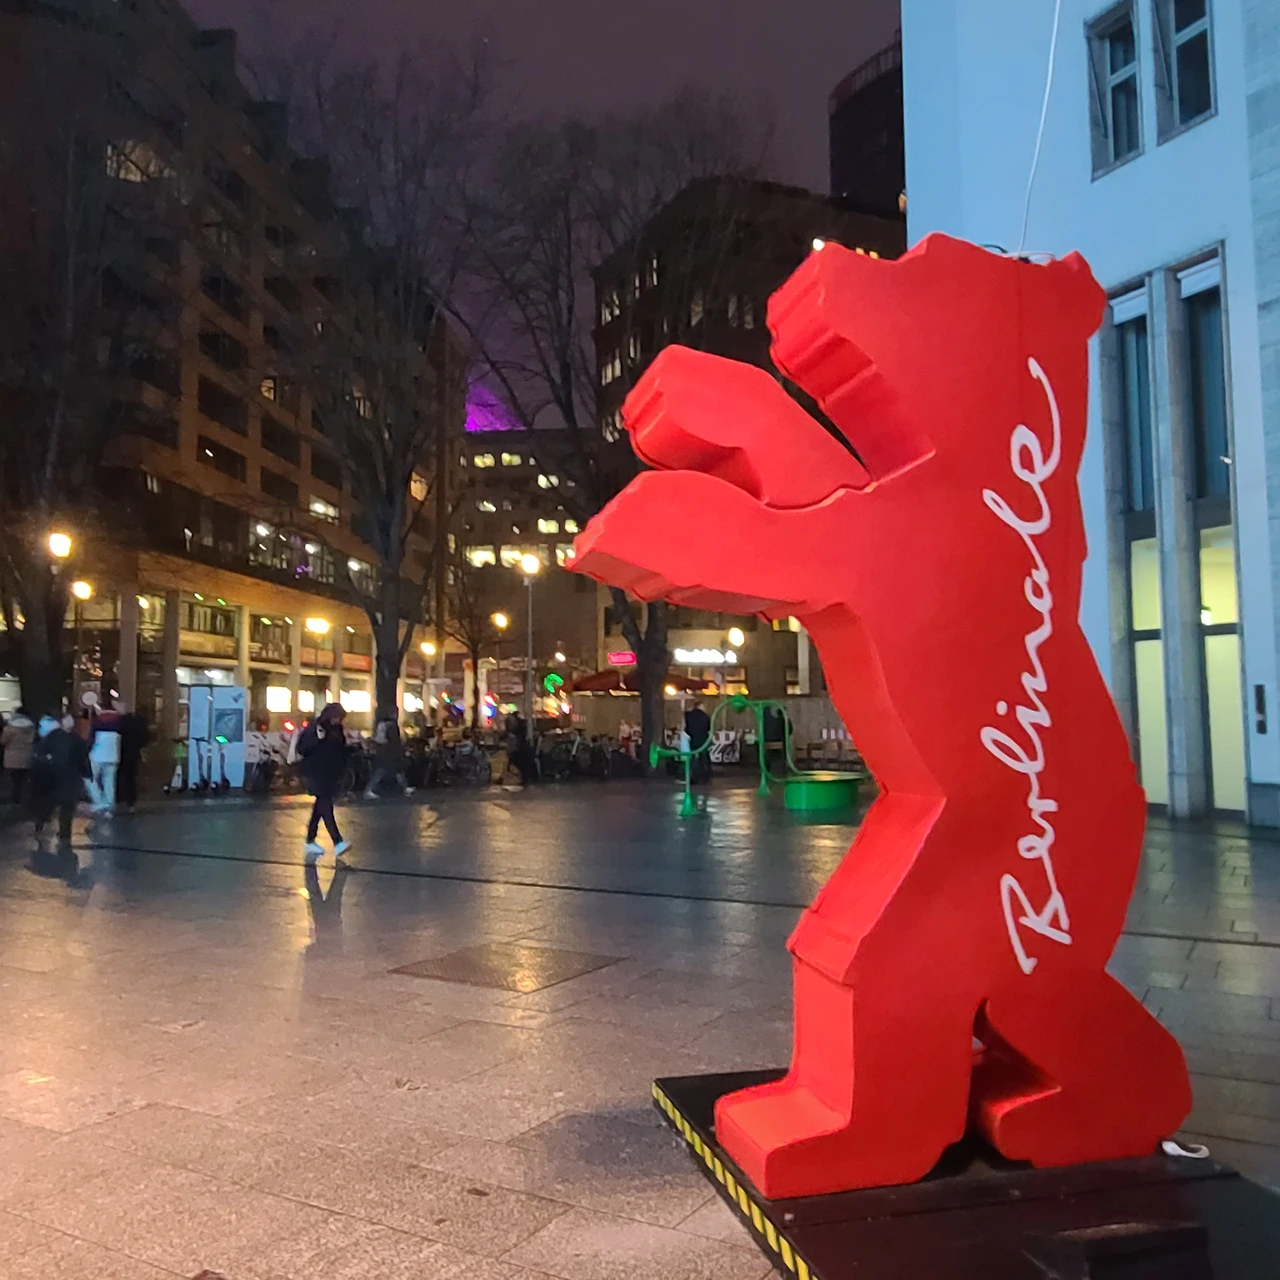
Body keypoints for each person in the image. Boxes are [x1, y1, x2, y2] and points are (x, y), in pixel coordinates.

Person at [297, 702, 353, 864]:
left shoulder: (337, 729)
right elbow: (302, 748)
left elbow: (338, 749)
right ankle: (337, 841)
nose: (337, 721)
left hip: (330, 773)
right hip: (315, 772)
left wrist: (351, 750)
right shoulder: (316, 728)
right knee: (325, 804)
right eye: (336, 717)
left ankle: (310, 840)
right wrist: (318, 740)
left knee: (320, 806)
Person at [29, 714, 90, 844]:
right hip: (57, 776)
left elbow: (82, 757)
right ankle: (46, 826)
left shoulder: (71, 738)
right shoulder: (59, 737)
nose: (70, 722)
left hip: (65, 776)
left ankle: (63, 832)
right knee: (53, 804)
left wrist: (85, 772)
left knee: (65, 805)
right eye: (67, 720)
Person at [364, 716, 414, 799]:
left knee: (387, 772)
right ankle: (405, 787)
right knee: (392, 772)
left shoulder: (385, 729)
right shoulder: (392, 732)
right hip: (390, 757)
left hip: (387, 757)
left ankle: (369, 790)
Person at [87, 702, 123, 815]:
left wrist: (87, 751)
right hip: (113, 756)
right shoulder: (119, 722)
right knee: (109, 781)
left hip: (96, 756)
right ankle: (109, 804)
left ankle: (98, 801)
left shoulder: (97, 722)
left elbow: (91, 740)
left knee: (89, 778)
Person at [116, 707, 150, 811]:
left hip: (119, 752)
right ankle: (131, 801)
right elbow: (144, 739)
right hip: (133, 753)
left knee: (117, 776)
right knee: (131, 778)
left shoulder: (119, 723)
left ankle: (118, 798)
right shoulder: (139, 724)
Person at [2, 706, 36, 805]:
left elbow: (3, 741)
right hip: (27, 756)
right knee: (23, 779)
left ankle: (14, 799)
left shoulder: (9, 728)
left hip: (12, 758)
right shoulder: (31, 727)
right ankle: (23, 798)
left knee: (13, 780)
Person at [685, 701, 712, 785]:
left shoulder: (689, 716)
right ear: (700, 706)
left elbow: (687, 729)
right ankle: (704, 777)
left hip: (693, 739)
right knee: (704, 758)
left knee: (693, 758)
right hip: (703, 739)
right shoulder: (705, 716)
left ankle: (693, 776)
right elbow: (709, 728)